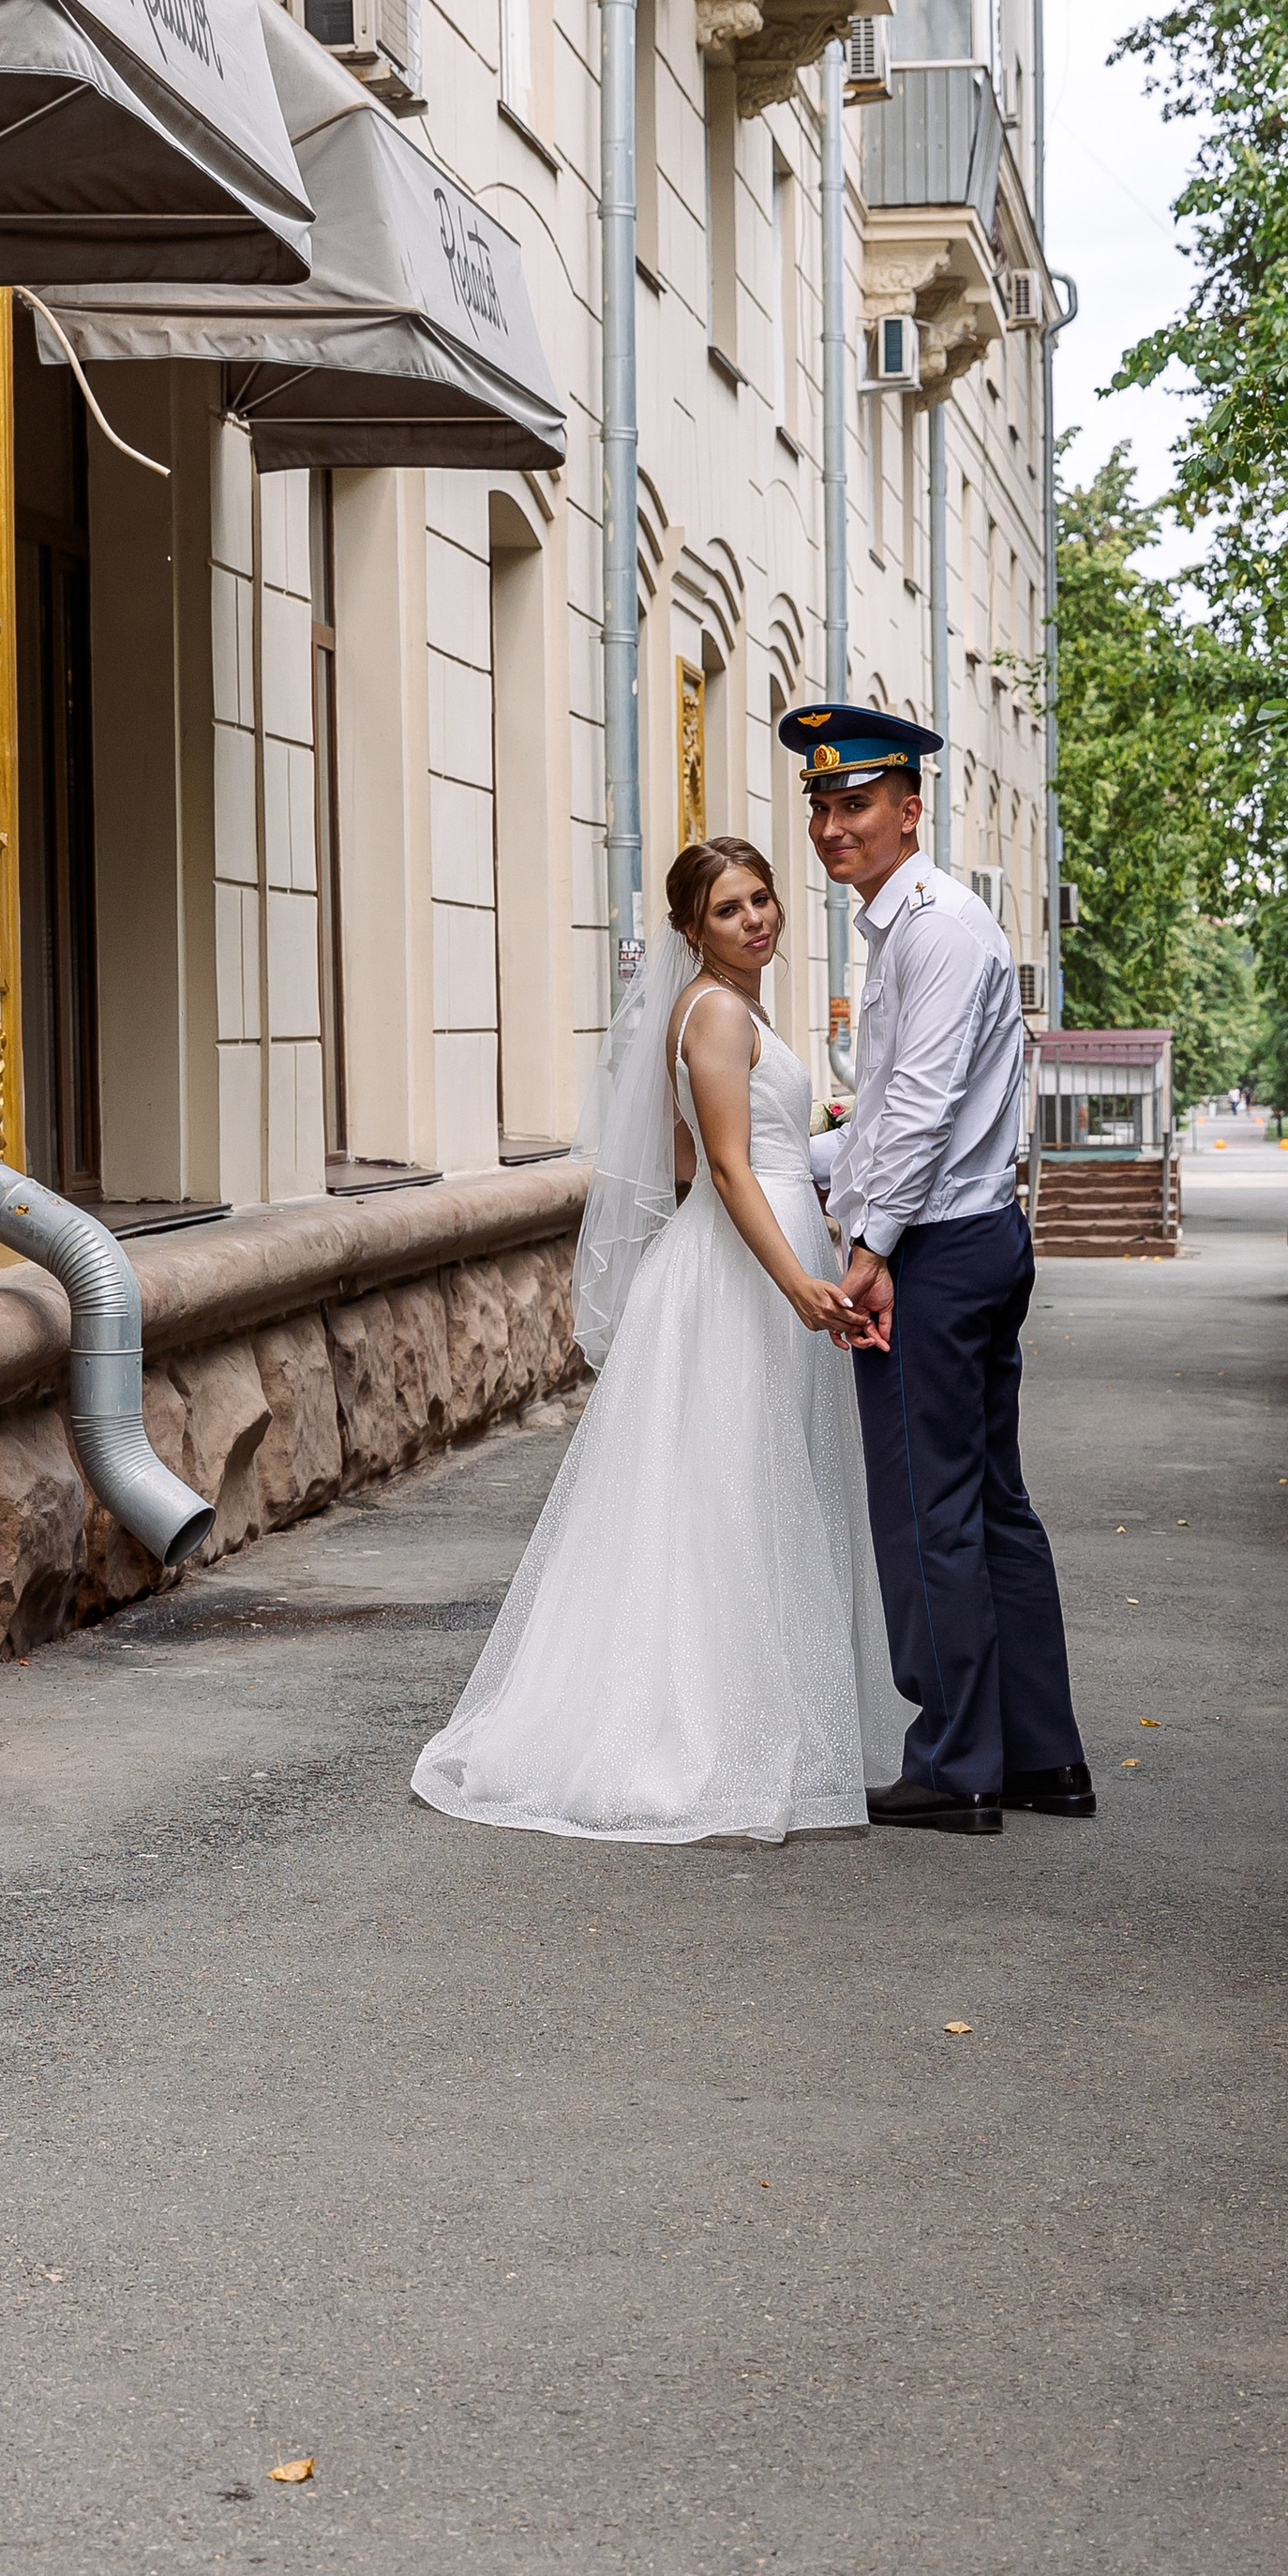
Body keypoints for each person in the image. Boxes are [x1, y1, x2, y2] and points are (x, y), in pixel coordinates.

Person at [412, 836, 910, 1844]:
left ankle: (750, 1716)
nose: (755, 920)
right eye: (728, 910)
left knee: (739, 1487)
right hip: (741, 1273)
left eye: (762, 900)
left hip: (754, 1258)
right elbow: (723, 1171)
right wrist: (798, 1286)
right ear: (691, 929)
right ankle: (692, 1736)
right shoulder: (718, 1011)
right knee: (729, 1488)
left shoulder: (731, 1004)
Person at [784, 701, 1093, 1838]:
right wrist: (805, 1158)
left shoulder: (933, 928)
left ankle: (957, 1764)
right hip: (968, 1236)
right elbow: (898, 1115)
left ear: (910, 810)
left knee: (928, 1510)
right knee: (988, 1506)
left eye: (854, 802)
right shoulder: (916, 925)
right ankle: (1038, 1758)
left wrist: (869, 1252)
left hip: (933, 1252)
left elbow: (915, 1113)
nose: (830, 824)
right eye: (819, 803)